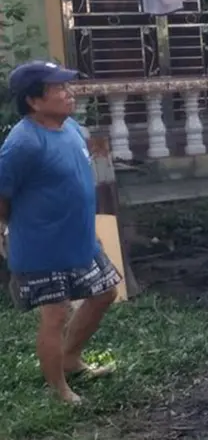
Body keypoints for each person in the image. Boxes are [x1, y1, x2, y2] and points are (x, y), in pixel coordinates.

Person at [0, 60, 122, 405]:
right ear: (34, 101)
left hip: (79, 239)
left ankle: (70, 359)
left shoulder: (71, 128)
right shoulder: (22, 144)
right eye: (60, 89)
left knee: (104, 294)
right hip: (41, 246)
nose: (70, 94)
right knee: (55, 314)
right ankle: (59, 389)